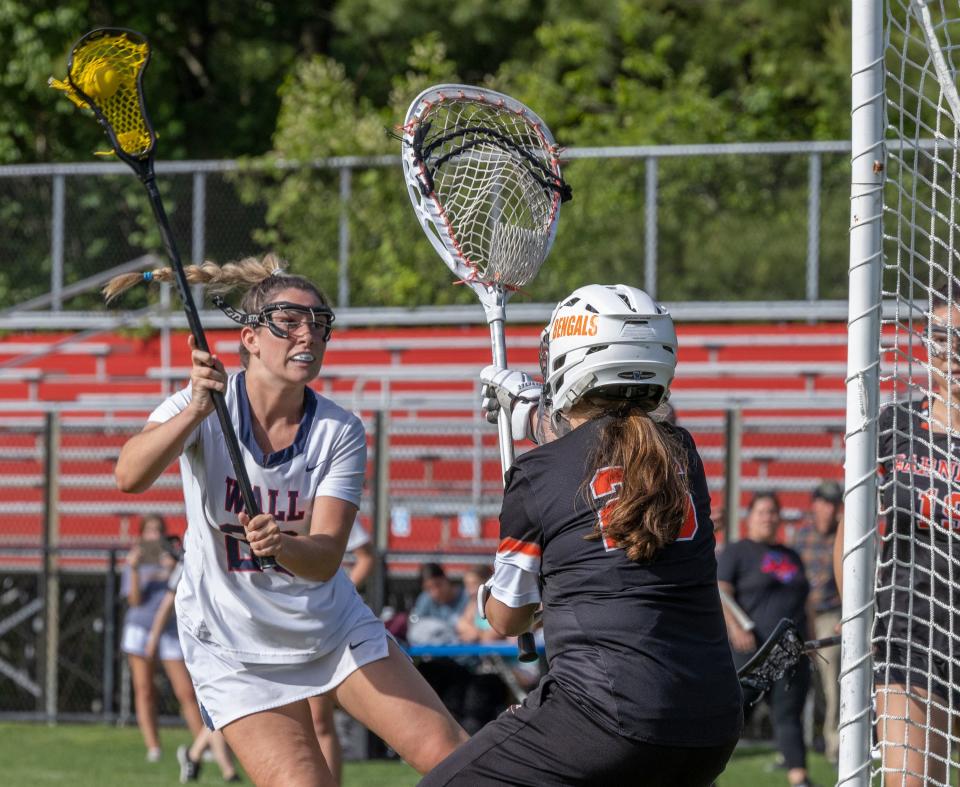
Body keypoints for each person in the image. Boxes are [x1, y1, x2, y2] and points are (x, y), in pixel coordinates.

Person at [107, 254, 466, 787]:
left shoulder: (338, 432)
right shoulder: (203, 403)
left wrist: (282, 544)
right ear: (250, 337)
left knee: (457, 759)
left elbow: (323, 559)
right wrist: (195, 413)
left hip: (331, 627)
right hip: (232, 648)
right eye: (290, 322)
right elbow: (128, 476)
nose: (308, 336)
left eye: (320, 324)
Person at [421, 284, 743, 786]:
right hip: (712, 721)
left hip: (605, 714)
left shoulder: (537, 473)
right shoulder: (683, 454)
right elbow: (608, 448)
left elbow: (509, 618)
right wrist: (533, 415)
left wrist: (487, 597)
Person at [833, 283, 960, 787]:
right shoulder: (894, 427)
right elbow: (852, 536)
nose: (953, 352)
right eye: (942, 336)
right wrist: (857, 623)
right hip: (910, 634)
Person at [718, 492, 814, 787]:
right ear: (750, 517)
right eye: (762, 511)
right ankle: (706, 775)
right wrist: (736, 627)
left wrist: (809, 642)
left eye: (773, 511)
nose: (768, 517)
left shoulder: (791, 555)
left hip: (789, 654)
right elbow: (720, 591)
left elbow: (805, 602)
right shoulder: (738, 551)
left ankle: (799, 778)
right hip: (751, 651)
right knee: (730, 718)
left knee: (789, 716)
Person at [145, 556, 241, 783]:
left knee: (226, 705)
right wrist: (153, 640)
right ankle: (225, 769)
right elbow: (167, 602)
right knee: (221, 704)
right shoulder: (192, 556)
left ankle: (197, 755)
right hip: (207, 644)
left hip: (233, 639)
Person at [120, 513, 204, 762]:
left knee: (185, 691)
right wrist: (134, 569)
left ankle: (203, 744)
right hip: (139, 629)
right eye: (149, 531)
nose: (153, 536)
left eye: (158, 530)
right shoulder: (135, 561)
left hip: (169, 630)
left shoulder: (173, 560)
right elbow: (134, 600)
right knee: (144, 689)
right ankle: (153, 747)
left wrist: (172, 569)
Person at [308, 517, 375, 786]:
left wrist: (338, 595)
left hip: (320, 622)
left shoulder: (325, 502)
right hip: (271, 619)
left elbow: (366, 557)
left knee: (319, 720)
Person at [794, 480, 843, 764]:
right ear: (814, 504)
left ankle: (834, 743)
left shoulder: (844, 536)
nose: (828, 509)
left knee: (831, 678)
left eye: (833, 504)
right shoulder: (801, 536)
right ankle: (795, 743)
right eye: (824, 502)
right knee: (799, 680)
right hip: (801, 614)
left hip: (830, 615)